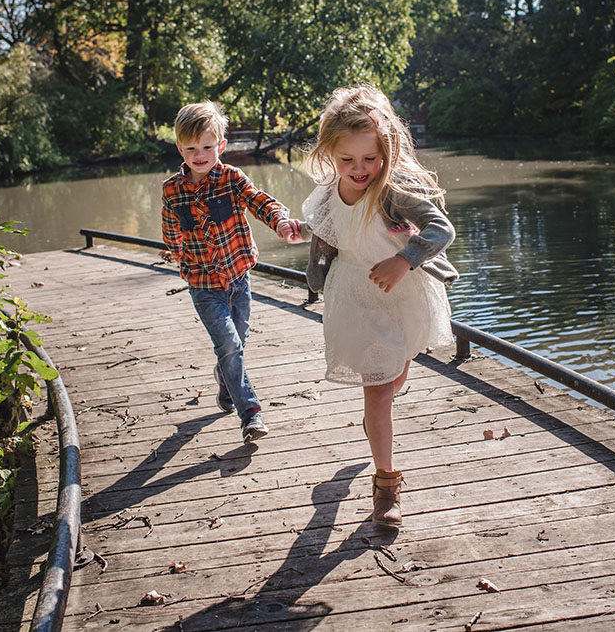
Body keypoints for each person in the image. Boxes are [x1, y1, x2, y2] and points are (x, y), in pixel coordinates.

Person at [302, 83, 458, 527]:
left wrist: (404, 260)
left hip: (401, 291)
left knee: (394, 377)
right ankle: (387, 486)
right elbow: (327, 238)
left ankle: (378, 420)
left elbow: (441, 229)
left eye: (370, 158)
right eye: (347, 159)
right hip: (354, 296)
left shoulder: (392, 191)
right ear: (330, 154)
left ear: (385, 152)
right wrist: (312, 262)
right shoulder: (329, 193)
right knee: (378, 389)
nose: (359, 169)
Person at [162, 100, 305, 444]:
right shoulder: (172, 190)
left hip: (239, 278)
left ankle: (226, 383)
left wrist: (282, 222)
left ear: (221, 146)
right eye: (191, 148)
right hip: (203, 285)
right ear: (180, 147)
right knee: (228, 343)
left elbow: (259, 201)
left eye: (207, 147)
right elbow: (170, 234)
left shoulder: (231, 178)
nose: (200, 155)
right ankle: (250, 413)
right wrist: (181, 259)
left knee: (237, 342)